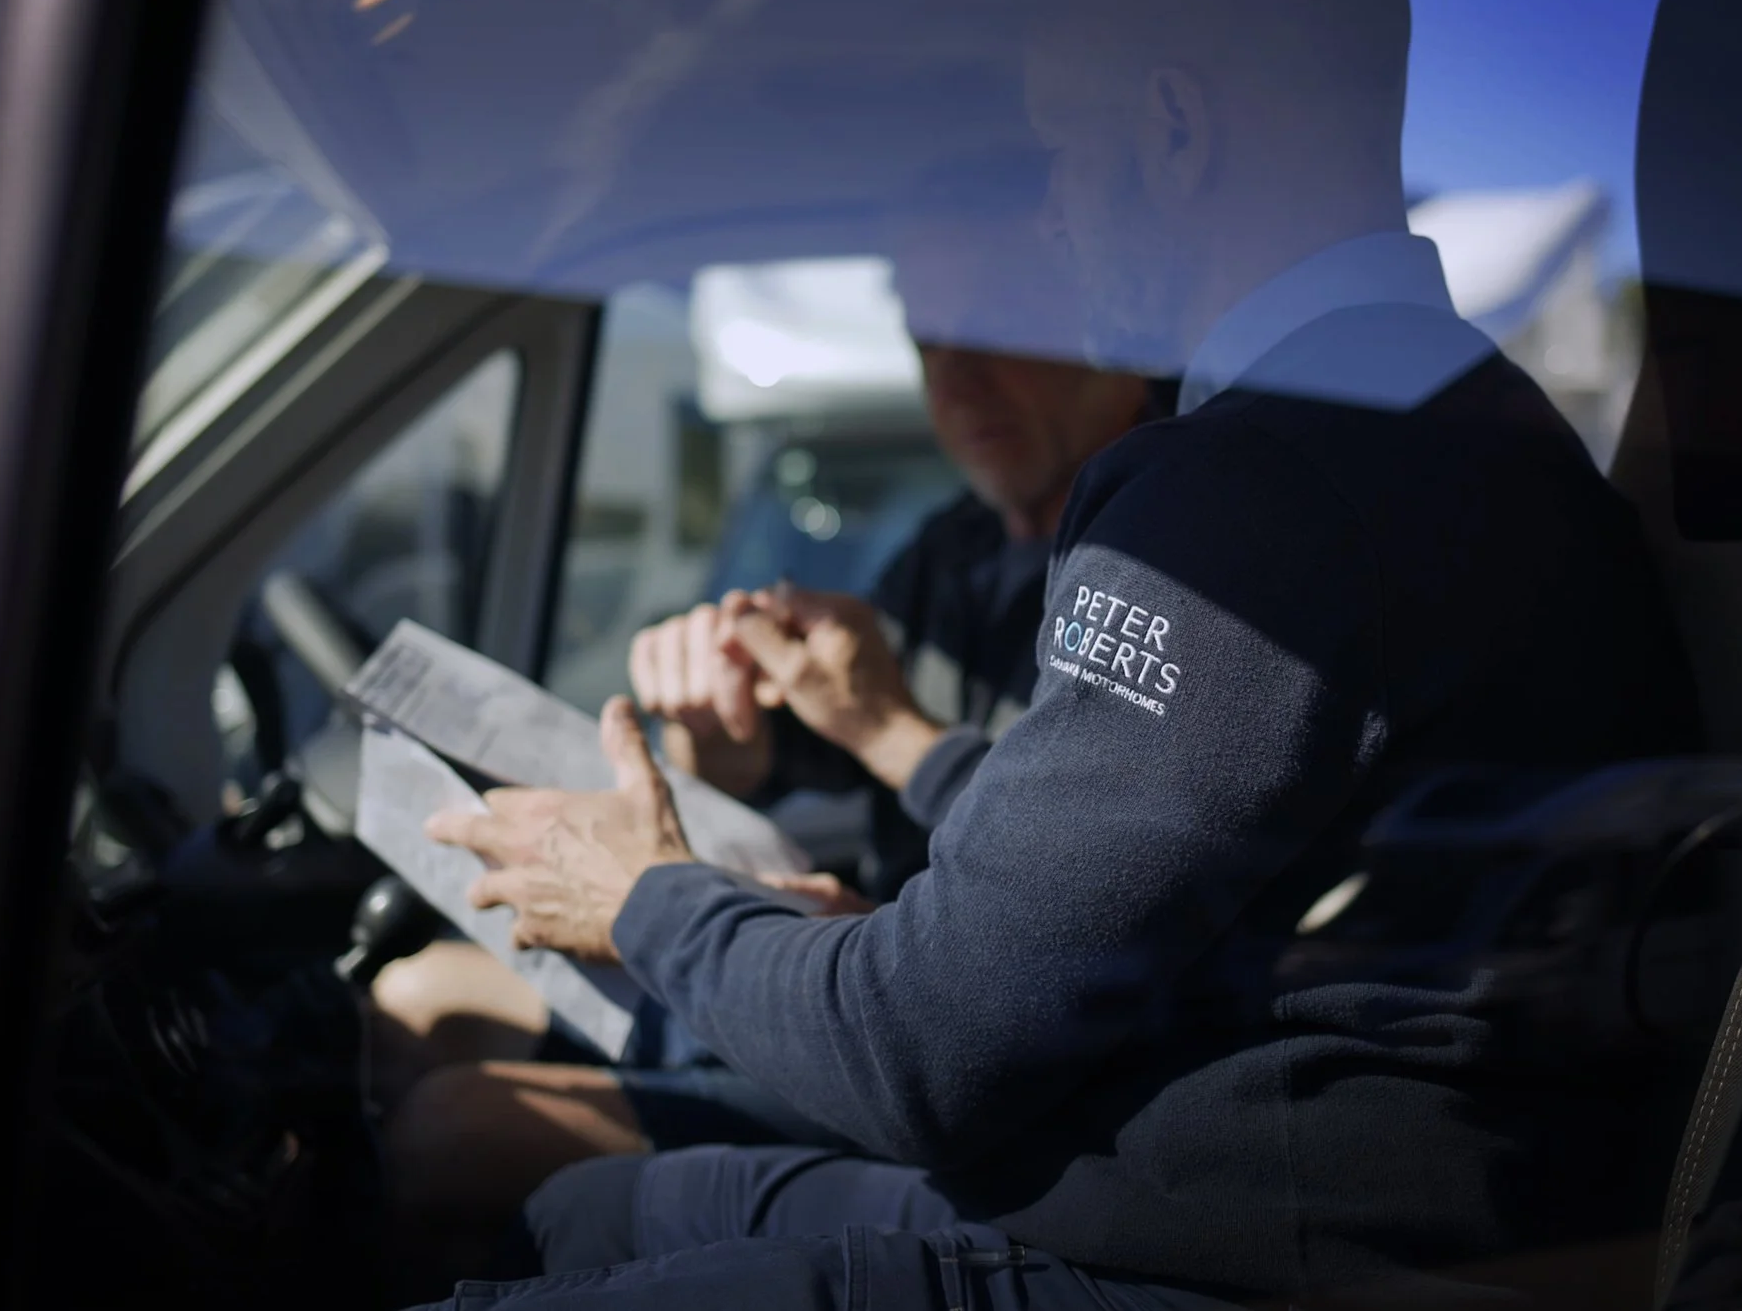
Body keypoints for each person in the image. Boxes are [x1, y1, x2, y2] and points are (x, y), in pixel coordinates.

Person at [408, 0, 1700, 1307]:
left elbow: (918, 1055)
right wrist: (882, 810)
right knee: (575, 1214)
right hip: (1212, 1183)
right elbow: (1110, 901)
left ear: (1174, 132)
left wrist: (643, 897)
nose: (1062, 214)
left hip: (1233, 1256)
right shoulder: (1438, 419)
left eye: (1067, 148)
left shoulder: (1268, 488)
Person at [375, 159, 1163, 1277]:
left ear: (1105, 323)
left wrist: (889, 736)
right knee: (417, 999)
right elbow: (793, 746)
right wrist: (717, 727)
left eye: (991, 329)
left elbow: (1079, 887)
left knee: (452, 1129)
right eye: (927, 339)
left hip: (957, 1058)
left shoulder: (1172, 571)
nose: (956, 380)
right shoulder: (955, 551)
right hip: (845, 971)